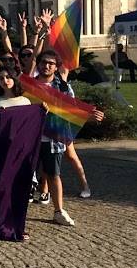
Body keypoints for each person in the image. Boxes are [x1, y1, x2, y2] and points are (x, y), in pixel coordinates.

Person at [32, 50, 103, 226]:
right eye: (43, 62)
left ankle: (58, 211)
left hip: (53, 139)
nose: (46, 66)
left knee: (53, 174)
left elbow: (72, 110)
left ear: (56, 67)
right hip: (30, 138)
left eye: (51, 63)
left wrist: (88, 115)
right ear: (38, 64)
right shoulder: (29, 85)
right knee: (24, 175)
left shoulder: (62, 87)